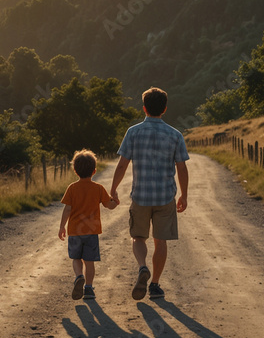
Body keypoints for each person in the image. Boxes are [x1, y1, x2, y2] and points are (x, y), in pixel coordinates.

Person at [110, 87, 189, 300]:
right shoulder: (175, 134)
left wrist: (113, 189)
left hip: (141, 197)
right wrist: (184, 195)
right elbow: (182, 168)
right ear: (164, 109)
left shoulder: (133, 132)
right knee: (160, 240)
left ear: (144, 108)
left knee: (138, 237)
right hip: (165, 197)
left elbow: (122, 165)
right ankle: (155, 284)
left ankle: (142, 266)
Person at [59, 149, 119, 300]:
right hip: (91, 232)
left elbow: (67, 209)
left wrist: (61, 227)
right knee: (90, 262)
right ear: (94, 171)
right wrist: (115, 201)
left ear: (75, 170)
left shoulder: (72, 188)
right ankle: (89, 288)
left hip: (74, 231)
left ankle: (79, 276)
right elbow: (109, 206)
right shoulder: (98, 188)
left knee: (76, 258)